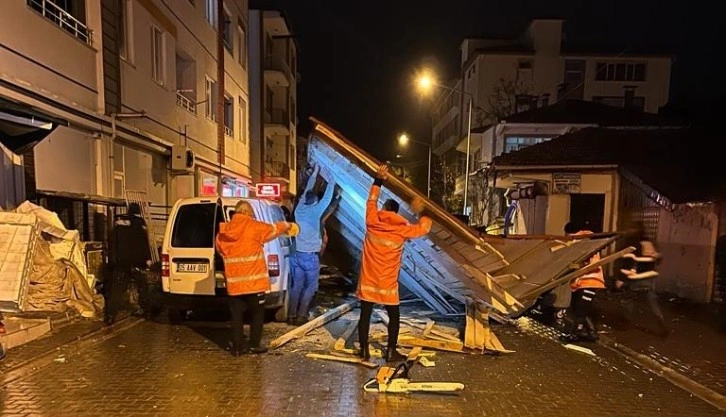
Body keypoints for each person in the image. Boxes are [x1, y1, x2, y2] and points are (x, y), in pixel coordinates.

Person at [356, 164, 432, 362]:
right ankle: (390, 351)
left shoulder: (372, 221)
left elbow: (371, 201)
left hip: (368, 280)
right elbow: (423, 228)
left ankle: (363, 350)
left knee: (365, 314)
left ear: (384, 209)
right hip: (388, 284)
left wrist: (378, 179)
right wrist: (421, 210)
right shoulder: (402, 230)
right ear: (396, 213)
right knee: (394, 316)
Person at [216, 200, 297, 356]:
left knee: (236, 316)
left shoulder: (223, 233)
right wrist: (286, 225)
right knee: (257, 314)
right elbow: (274, 229)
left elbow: (221, 250)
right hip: (254, 283)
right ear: (246, 212)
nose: (253, 216)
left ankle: (238, 347)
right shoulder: (254, 227)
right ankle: (254, 344)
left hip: (235, 284)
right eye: (252, 213)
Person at [289, 164, 338, 325]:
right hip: (310, 257)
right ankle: (301, 315)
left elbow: (306, 192)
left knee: (296, 286)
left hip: (297, 256)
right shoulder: (315, 211)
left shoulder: (299, 210)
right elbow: (326, 199)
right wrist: (331, 181)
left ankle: (291, 315)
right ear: (315, 202)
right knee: (310, 286)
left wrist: (315, 174)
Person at [617, 220, 667, 336]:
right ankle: (659, 318)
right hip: (648, 277)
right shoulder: (649, 242)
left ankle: (625, 322)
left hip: (634, 277)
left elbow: (627, 261)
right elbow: (657, 259)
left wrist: (621, 278)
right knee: (651, 300)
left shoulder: (631, 242)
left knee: (627, 300)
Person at [106, 202, 153, 324]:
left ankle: (110, 316)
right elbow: (144, 242)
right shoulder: (140, 223)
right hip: (138, 262)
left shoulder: (119, 223)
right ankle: (147, 312)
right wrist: (147, 258)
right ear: (138, 211)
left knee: (117, 289)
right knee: (143, 288)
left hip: (122, 262)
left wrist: (114, 259)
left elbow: (113, 243)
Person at [559, 222, 605, 343]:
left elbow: (584, 261)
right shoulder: (586, 240)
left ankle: (574, 334)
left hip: (589, 280)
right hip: (585, 281)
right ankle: (591, 333)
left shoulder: (582, 241)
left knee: (580, 310)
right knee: (580, 309)